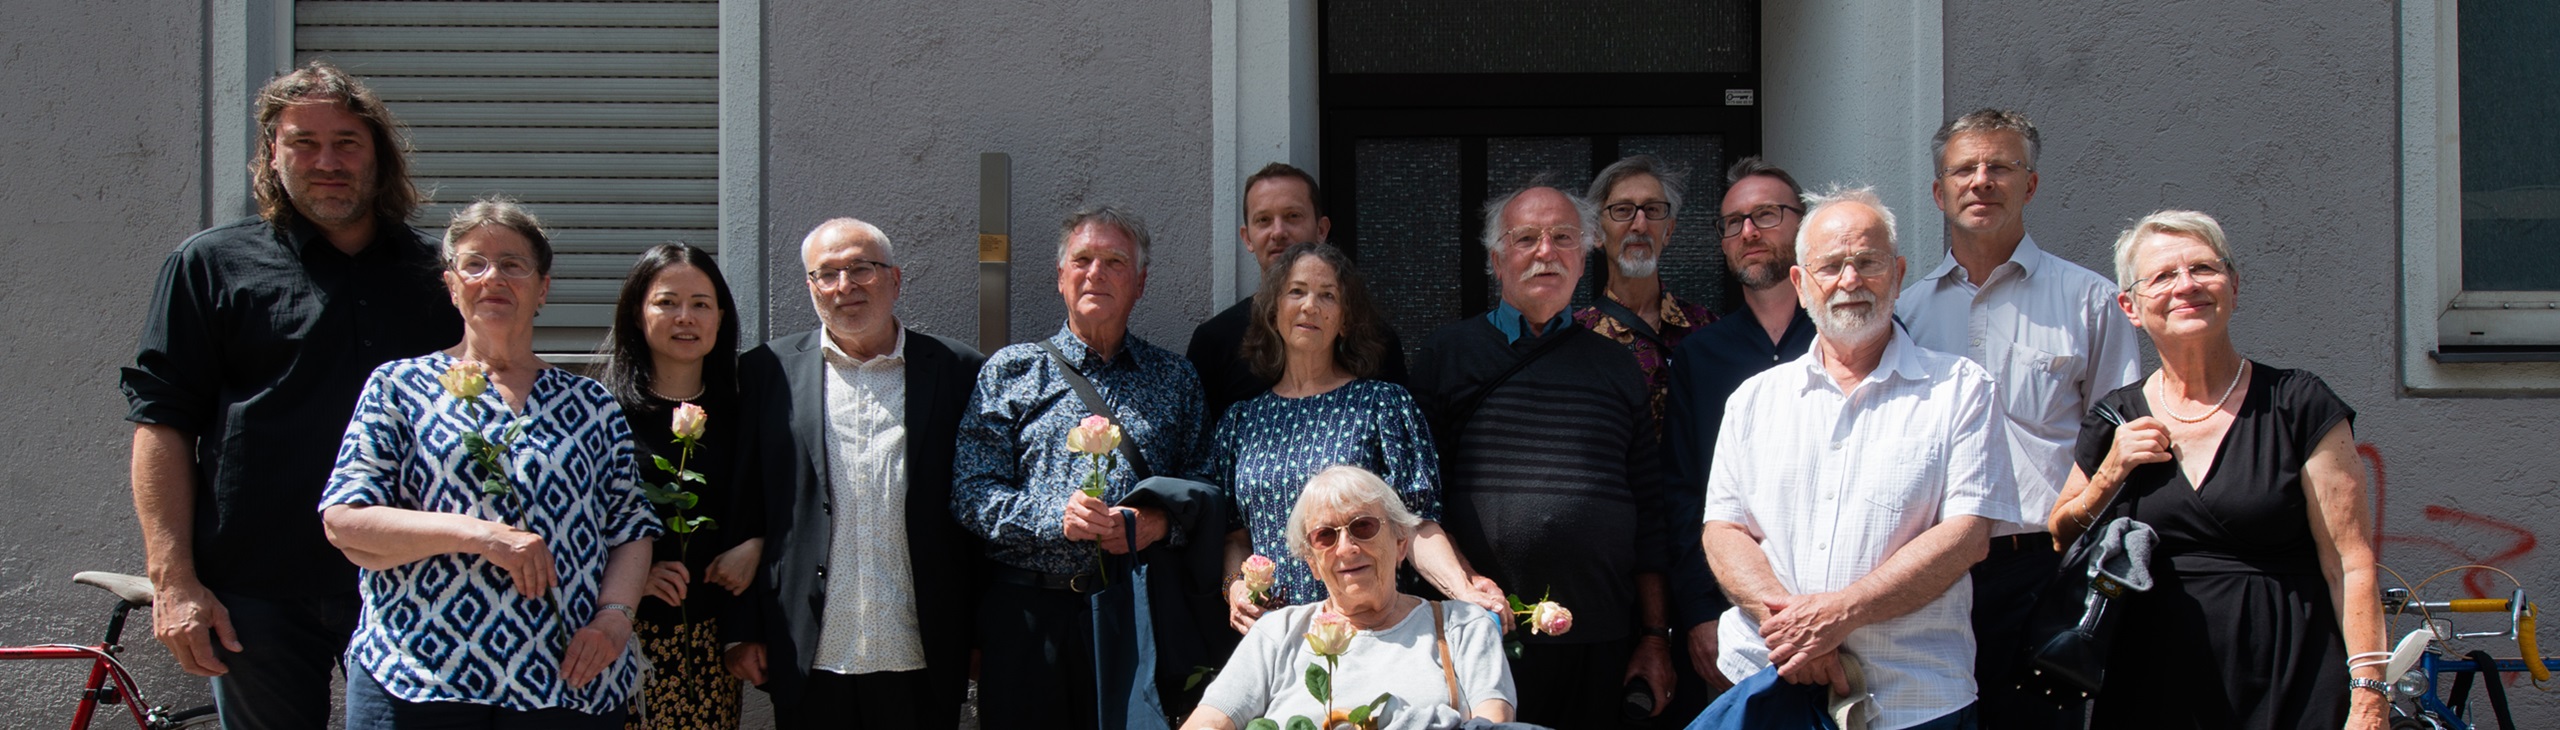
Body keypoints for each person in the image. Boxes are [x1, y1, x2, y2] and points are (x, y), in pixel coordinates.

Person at [120, 61, 462, 727]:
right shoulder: (210, 266)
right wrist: (174, 581)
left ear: (379, 156)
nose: (326, 161)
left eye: (347, 143)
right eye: (303, 142)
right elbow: (160, 422)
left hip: (411, 582)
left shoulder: (436, 277)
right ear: (272, 155)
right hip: (255, 591)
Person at [318, 198, 661, 727]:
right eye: (474, 263)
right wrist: (482, 536)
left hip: (566, 684)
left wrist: (614, 620)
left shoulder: (592, 404)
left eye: (512, 265)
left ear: (542, 288)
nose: (492, 277)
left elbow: (631, 527)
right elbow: (346, 520)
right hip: (420, 684)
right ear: (452, 285)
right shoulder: (399, 387)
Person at [2046, 211, 2384, 730]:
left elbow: (2350, 562)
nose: (2186, 286)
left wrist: (2369, 698)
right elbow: (2060, 532)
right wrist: (2110, 472)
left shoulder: (2298, 404)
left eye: (2203, 268)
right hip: (2153, 687)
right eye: (2162, 276)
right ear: (2130, 307)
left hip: (2292, 678)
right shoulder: (2117, 417)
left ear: (2233, 284)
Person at [1700, 185, 2011, 730]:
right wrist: (1798, 632)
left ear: (1897, 271)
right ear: (1800, 284)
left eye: (1867, 262)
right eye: (1831, 266)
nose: (1850, 281)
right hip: (1766, 682)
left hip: (1914, 696)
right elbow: (1722, 531)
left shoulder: (1961, 388)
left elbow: (1967, 534)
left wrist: (1839, 616)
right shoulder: (1754, 399)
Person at [1897, 109, 2143, 728]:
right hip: (1929, 572)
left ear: (2029, 185)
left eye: (1999, 167)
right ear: (1938, 191)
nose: (1981, 181)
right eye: (1964, 169)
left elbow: (2119, 439)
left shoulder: (2088, 302)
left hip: (2041, 564)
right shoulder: (1905, 315)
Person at [1410, 180, 1674, 727]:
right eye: (1526, 238)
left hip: (1602, 639)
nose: (1545, 252)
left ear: (1585, 257)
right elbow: (1418, 504)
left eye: (1562, 238)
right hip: (1483, 631)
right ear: (1496, 260)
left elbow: (1650, 511)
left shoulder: (1617, 364)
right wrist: (1461, 585)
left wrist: (1654, 637)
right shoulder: (1445, 355)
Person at [720, 219, 986, 728]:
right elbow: (745, 500)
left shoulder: (958, 371)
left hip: (921, 650)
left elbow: (974, 510)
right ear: (811, 287)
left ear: (895, 279)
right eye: (827, 274)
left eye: (861, 269)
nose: (845, 286)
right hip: (807, 648)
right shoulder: (767, 372)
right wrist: (741, 629)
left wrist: (979, 633)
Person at [953, 206, 1209, 730]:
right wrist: (1056, 518)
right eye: (1083, 259)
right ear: (1061, 277)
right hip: (1027, 615)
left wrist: (1156, 524)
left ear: (1140, 284)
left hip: (1135, 614)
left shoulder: (1175, 377)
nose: (1096, 272)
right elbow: (971, 491)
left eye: (1115, 262)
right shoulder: (1012, 370)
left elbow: (1206, 486)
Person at [1208, 242, 1500, 632]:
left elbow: (1415, 525)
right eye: (1297, 291)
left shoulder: (1383, 407)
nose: (1310, 305)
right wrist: (1236, 587)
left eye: (1327, 295)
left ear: (1345, 319)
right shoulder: (1241, 422)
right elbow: (1234, 537)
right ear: (1273, 311)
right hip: (1275, 636)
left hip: (1370, 630)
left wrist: (1464, 591)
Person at [1660, 157, 1820, 717]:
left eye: (1766, 215)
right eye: (1734, 222)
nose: (1748, 231)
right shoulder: (1700, 356)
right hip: (1739, 622)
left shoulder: (1851, 338)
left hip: (1845, 610)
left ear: (1805, 225)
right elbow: (1684, 492)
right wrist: (1701, 612)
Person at [1184, 466, 1517, 729]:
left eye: (1364, 527)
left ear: (1401, 543)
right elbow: (1209, 722)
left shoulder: (1462, 626)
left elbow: (1494, 721)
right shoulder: (1277, 633)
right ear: (1312, 563)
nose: (1346, 548)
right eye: (1325, 535)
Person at [597, 243, 758, 729]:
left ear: (720, 317)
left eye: (701, 304)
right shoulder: (600, 414)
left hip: (709, 647)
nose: (685, 317)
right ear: (637, 313)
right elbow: (571, 525)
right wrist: (629, 581)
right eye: (667, 302)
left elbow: (786, 502)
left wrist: (757, 543)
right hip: (620, 638)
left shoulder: (746, 413)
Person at [1189, 163, 1407, 432]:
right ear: (1247, 238)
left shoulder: (1373, 338)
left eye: (1293, 216)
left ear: (1321, 230)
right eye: (1264, 220)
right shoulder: (1214, 343)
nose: (1278, 232)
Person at [1572, 154, 1717, 430]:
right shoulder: (1575, 337)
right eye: (1623, 210)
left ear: (1669, 231)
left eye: (1652, 210)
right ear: (1597, 234)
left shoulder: (1706, 329)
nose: (1639, 225)